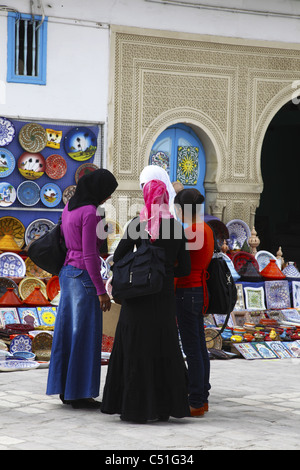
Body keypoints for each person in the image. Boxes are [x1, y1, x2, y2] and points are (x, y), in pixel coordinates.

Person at [101, 179, 191, 423]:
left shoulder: (137, 224)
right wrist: (164, 269)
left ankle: (133, 406)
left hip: (137, 295)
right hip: (162, 297)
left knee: (134, 346)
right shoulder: (176, 227)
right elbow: (184, 268)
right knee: (162, 346)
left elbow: (118, 257)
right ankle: (162, 408)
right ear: (166, 198)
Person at [46, 169, 118, 409]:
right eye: (107, 193)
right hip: (84, 276)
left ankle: (67, 389)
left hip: (67, 273)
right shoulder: (90, 212)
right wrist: (100, 291)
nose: (107, 198)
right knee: (86, 335)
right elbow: (90, 254)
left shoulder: (69, 208)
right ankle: (80, 393)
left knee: (68, 333)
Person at [174, 188, 214, 417]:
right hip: (198, 290)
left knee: (193, 347)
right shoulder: (205, 229)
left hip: (186, 291)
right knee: (198, 346)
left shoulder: (190, 231)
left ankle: (197, 399)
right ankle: (201, 396)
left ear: (180, 209)